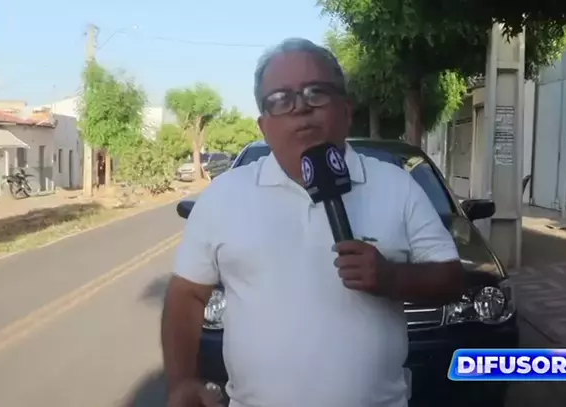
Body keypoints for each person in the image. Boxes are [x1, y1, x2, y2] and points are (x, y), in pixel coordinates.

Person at [162, 38, 465, 407]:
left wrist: (392, 278)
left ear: (346, 110)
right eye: (280, 99)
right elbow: (186, 294)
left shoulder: (397, 186)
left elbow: (451, 280)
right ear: (264, 125)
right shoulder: (224, 195)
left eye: (316, 93)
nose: (301, 108)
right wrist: (181, 381)